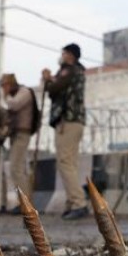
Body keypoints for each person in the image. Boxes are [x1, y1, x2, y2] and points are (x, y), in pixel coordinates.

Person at [42, 43, 88, 220]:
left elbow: (54, 89)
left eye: (65, 53)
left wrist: (47, 79)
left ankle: (78, 203)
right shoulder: (77, 71)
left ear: (71, 55)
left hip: (67, 121)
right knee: (71, 163)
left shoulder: (69, 70)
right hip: (75, 121)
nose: (62, 56)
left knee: (65, 162)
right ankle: (72, 203)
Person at [1, 73, 37, 210]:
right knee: (19, 168)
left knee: (15, 168)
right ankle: (23, 200)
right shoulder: (15, 94)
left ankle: (25, 202)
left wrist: (6, 96)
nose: (3, 88)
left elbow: (14, 105)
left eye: (5, 85)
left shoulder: (24, 92)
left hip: (23, 133)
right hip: (15, 134)